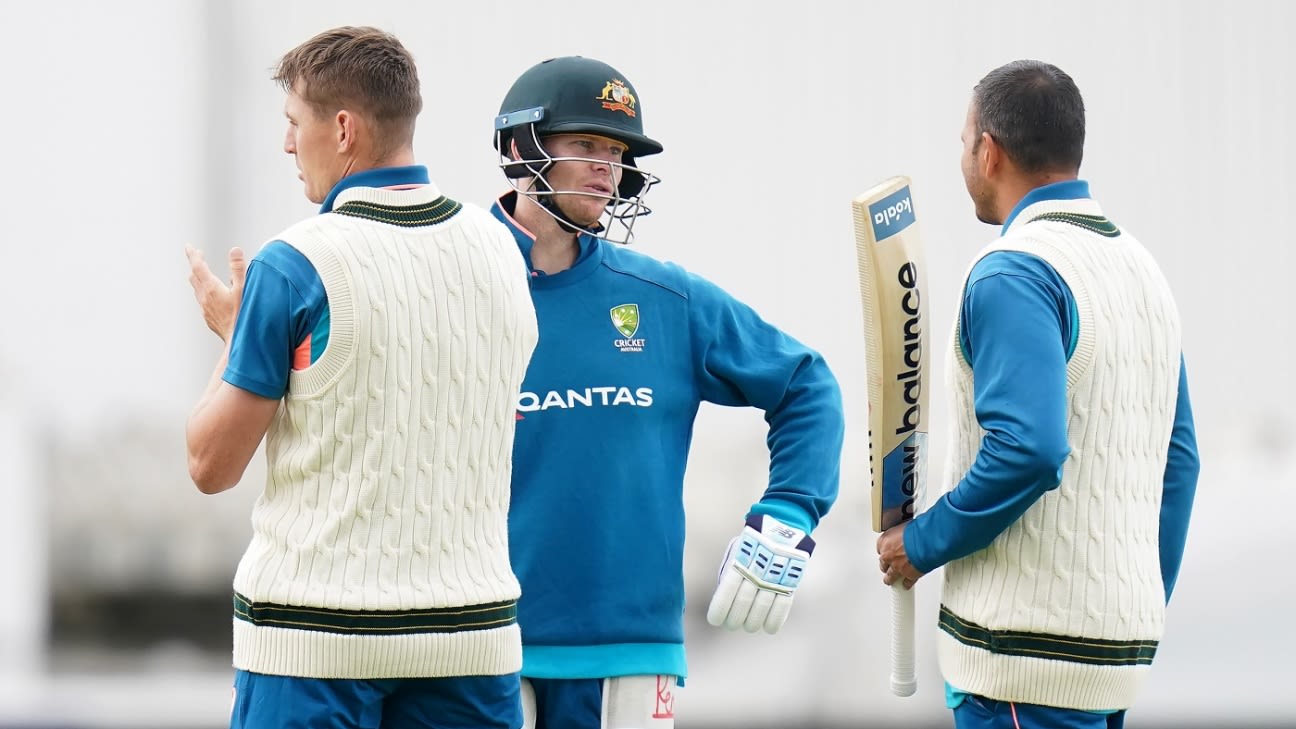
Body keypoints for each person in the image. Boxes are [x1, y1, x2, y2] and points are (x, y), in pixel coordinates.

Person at [183, 26, 537, 729]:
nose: (287, 145)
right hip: (471, 641)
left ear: (341, 128)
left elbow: (211, 464)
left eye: (294, 124)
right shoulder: (501, 250)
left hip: (315, 647)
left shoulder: (296, 263)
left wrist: (232, 338)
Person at [487, 56, 845, 729]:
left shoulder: (663, 298)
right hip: (483, 646)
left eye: (617, 152)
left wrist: (790, 510)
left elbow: (806, 383)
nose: (607, 168)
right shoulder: (452, 281)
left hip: (631, 648)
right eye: (586, 145)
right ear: (520, 148)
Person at [875, 59, 1201, 729]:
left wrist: (924, 541)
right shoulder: (1144, 271)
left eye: (964, 143)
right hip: (1112, 663)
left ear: (989, 151)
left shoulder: (1013, 273)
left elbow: (1029, 447)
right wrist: (1132, 605)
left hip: (1022, 668)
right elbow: (1181, 459)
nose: (963, 158)